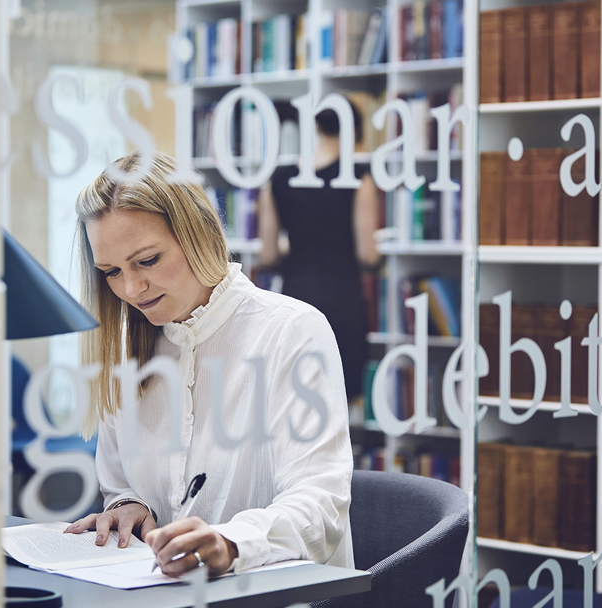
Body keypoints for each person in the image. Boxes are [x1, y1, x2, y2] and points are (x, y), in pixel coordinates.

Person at [63, 151, 354, 578]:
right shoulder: (125, 349)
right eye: (110, 271)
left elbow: (321, 503)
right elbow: (120, 483)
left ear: (198, 233)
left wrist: (232, 544)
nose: (131, 287)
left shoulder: (291, 331)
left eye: (147, 260)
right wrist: (127, 506)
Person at [257, 105, 380, 418]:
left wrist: (299, 253)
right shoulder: (357, 177)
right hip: (342, 299)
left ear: (317, 129)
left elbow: (268, 255)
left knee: (294, 399)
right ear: (355, 133)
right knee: (338, 402)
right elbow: (368, 254)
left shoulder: (278, 179)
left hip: (294, 296)